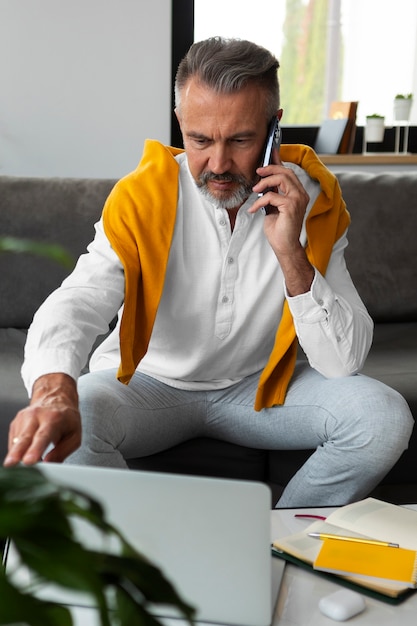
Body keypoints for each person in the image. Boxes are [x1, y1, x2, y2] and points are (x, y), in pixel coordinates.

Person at [5, 37, 413, 507]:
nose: (218, 165)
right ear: (181, 123)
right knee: (74, 427)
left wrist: (291, 254)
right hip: (144, 388)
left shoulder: (314, 201)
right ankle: (156, 557)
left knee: (382, 418)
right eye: (200, 140)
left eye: (240, 140)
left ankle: (275, 547)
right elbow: (77, 300)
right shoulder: (142, 196)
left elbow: (344, 364)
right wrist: (53, 390)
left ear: (273, 129)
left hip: (258, 389)